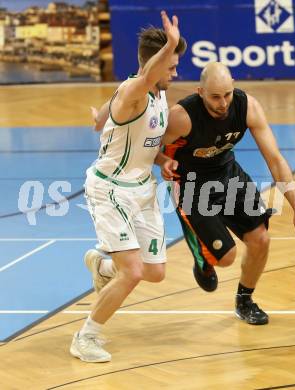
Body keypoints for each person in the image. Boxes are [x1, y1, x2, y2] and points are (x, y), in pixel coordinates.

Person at [155, 62, 295, 325]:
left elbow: (275, 159)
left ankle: (245, 300)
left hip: (227, 174)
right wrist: (162, 160)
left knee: (261, 240)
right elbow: (146, 146)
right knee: (226, 258)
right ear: (200, 92)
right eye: (215, 97)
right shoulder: (181, 117)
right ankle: (202, 255)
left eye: (227, 94)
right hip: (190, 183)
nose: (223, 103)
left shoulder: (247, 107)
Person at [70, 11, 186, 363]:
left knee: (154, 272)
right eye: (171, 66)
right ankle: (85, 336)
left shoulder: (156, 92)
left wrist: (161, 161)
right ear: (155, 64)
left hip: (143, 188)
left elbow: (135, 132)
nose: (175, 72)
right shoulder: (135, 92)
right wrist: (168, 44)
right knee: (133, 272)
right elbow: (132, 89)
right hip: (111, 191)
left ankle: (102, 268)